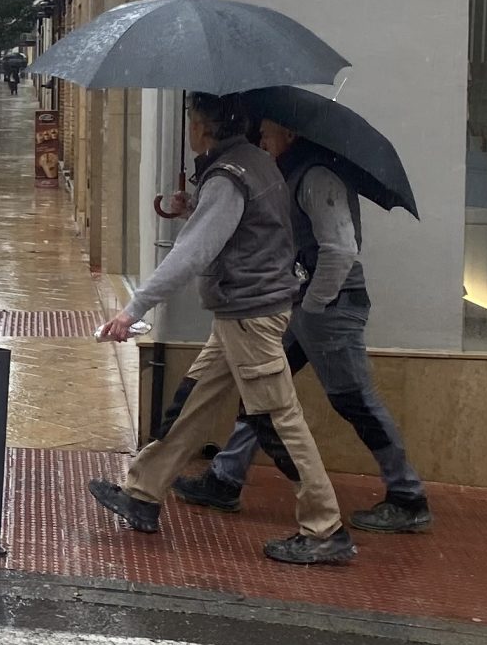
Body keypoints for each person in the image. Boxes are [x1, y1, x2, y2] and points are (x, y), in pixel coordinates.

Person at [90, 93, 354, 565]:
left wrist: (134, 309)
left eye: (191, 120)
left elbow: (192, 253)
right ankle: (143, 492)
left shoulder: (228, 176)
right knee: (193, 399)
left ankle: (324, 527)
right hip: (245, 310)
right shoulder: (253, 161)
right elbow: (244, 225)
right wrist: (193, 206)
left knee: (276, 419)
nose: (189, 129)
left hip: (249, 312)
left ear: (203, 127)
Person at [174, 120, 431, 534]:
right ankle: (225, 477)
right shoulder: (287, 172)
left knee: (354, 401)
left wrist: (312, 307)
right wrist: (194, 208)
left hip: (328, 307)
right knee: (263, 391)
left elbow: (341, 248)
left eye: (268, 135)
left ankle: (407, 495)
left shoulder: (317, 175)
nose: (261, 141)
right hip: (302, 303)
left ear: (290, 135)